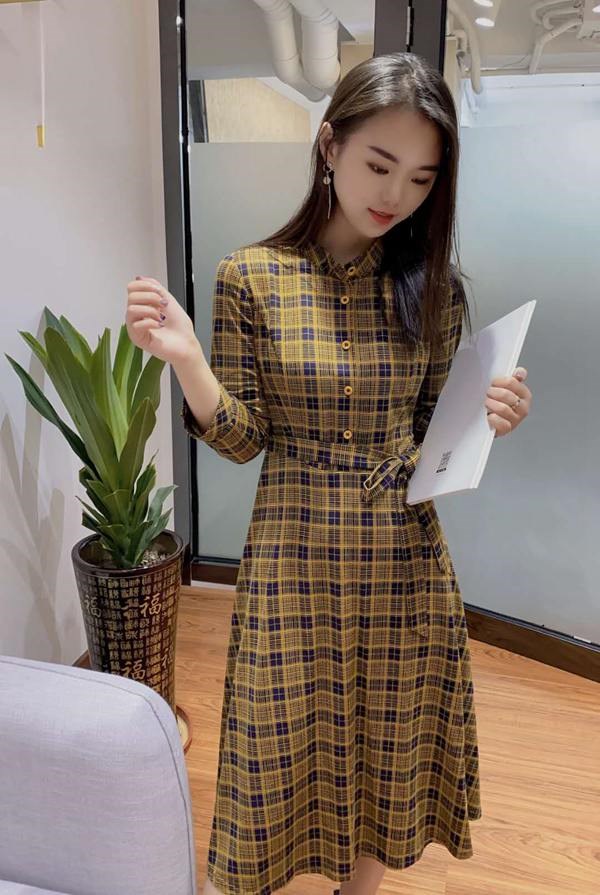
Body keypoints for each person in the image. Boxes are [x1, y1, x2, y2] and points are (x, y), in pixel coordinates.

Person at [126, 52, 531, 895]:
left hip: (401, 559)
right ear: (330, 144)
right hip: (294, 553)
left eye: (421, 179)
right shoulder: (251, 277)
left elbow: (434, 437)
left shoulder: (436, 292)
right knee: (276, 743)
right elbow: (244, 440)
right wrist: (189, 360)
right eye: (379, 164)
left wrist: (487, 419)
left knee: (388, 741)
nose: (395, 194)